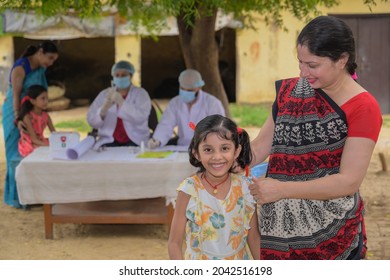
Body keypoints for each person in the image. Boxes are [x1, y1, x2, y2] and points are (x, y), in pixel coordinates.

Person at [249, 16, 382, 260]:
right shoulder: (290, 94)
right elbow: (258, 148)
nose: (303, 73)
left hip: (331, 236)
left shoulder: (363, 107)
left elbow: (348, 182)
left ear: (341, 60)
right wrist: (223, 152)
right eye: (300, 63)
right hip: (277, 234)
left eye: (312, 65)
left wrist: (282, 190)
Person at [168, 114, 260, 260]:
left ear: (236, 151)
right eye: (208, 150)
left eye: (224, 148)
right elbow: (174, 242)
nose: (217, 157)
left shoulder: (245, 188)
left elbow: (254, 237)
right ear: (196, 153)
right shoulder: (189, 190)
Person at [2, 41, 58, 208]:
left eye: (54, 60)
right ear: (40, 52)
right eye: (50, 58)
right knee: (15, 155)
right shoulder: (21, 68)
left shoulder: (40, 69)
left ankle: (34, 196)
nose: (51, 63)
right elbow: (16, 95)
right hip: (15, 112)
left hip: (31, 111)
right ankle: (17, 198)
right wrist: (19, 119)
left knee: (33, 155)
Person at [148, 69, 225, 149]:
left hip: (206, 149)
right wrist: (157, 140)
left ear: (199, 88)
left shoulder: (212, 103)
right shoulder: (175, 103)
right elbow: (166, 124)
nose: (185, 92)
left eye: (189, 90)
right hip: (182, 148)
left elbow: (218, 129)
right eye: (182, 89)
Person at [87, 60, 151, 148]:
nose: (120, 78)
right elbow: (92, 122)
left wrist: (122, 103)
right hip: (109, 140)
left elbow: (141, 118)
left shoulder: (141, 94)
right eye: (117, 75)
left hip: (135, 140)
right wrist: (103, 110)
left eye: (124, 75)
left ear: (130, 76)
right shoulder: (104, 94)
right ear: (113, 77)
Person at [17, 85, 56, 157]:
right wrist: (51, 146)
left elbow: (54, 134)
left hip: (40, 141)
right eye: (43, 99)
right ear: (33, 101)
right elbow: (34, 139)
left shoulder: (46, 116)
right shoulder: (28, 117)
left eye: (47, 98)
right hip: (29, 144)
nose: (46, 101)